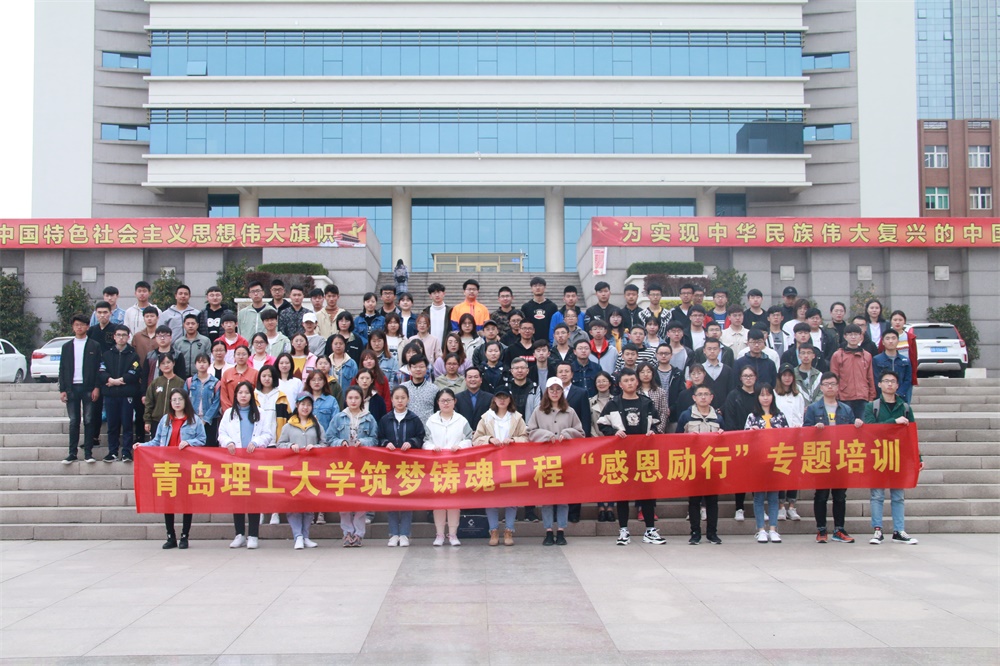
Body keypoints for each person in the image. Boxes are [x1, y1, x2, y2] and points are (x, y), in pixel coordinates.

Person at [597, 369, 664, 546]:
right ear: (620, 384)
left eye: (632, 380)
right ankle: (623, 530)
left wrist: (653, 431)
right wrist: (614, 432)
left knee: (647, 493)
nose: (629, 383)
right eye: (625, 381)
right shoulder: (613, 404)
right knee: (623, 494)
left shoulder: (646, 402)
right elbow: (602, 424)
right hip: (622, 455)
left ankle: (650, 530)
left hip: (644, 455)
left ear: (637, 382)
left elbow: (657, 423)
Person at [804, 371, 864, 543]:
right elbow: (805, 431)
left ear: (838, 387)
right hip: (821, 456)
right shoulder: (813, 409)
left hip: (840, 457)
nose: (830, 387)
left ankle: (839, 529)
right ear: (821, 388)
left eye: (833, 384)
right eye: (826, 384)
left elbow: (853, 435)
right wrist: (814, 429)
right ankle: (821, 530)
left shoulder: (846, 409)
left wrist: (857, 425)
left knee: (840, 495)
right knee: (821, 495)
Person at [142, 388, 206, 549]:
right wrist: (142, 445)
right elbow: (156, 441)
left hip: (186, 466)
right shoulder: (165, 420)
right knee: (168, 501)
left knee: (186, 501)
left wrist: (189, 442)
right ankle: (170, 536)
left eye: (180, 399)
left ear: (185, 401)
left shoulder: (194, 420)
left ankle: (185, 536)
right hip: (167, 466)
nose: (177, 403)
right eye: (174, 400)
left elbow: (202, 439)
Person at [865, 370, 921, 545]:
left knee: (898, 495)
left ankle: (899, 530)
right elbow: (870, 430)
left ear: (897, 386)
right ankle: (877, 530)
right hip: (878, 455)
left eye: (893, 381)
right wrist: (893, 422)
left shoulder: (905, 408)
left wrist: (918, 458)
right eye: (886, 381)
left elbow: (912, 435)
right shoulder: (872, 407)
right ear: (879, 384)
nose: (889, 384)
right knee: (877, 495)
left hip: (899, 456)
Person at [527, 378, 585, 546]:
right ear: (547, 391)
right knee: (547, 498)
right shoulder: (538, 411)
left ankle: (560, 530)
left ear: (562, 392)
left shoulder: (570, 411)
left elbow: (580, 432)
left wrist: (566, 433)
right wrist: (546, 436)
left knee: (562, 497)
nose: (554, 392)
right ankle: (548, 530)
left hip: (565, 460)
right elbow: (530, 432)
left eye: (558, 389)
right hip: (544, 459)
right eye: (551, 389)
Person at [219, 380, 274, 549]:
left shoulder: (260, 413)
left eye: (247, 393)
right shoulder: (229, 413)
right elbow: (222, 434)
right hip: (235, 461)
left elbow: (268, 434)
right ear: (236, 395)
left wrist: (256, 442)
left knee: (253, 498)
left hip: (254, 461)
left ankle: (253, 535)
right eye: (240, 393)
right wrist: (228, 442)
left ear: (252, 395)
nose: (243, 396)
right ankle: (239, 534)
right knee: (237, 497)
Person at [473, 387, 528, 546]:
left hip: (511, 462)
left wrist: (514, 440)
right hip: (491, 462)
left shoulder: (517, 418)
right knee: (491, 497)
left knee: (511, 497)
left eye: (505, 397)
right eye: (499, 397)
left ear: (510, 399)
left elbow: (525, 438)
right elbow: (476, 439)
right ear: (494, 400)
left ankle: (509, 530)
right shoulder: (486, 418)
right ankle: (494, 530)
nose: (502, 400)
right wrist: (489, 439)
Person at [326, 386, 379, 547]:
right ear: (346, 399)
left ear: (361, 399)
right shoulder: (338, 417)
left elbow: (374, 439)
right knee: (344, 501)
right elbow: (329, 437)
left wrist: (362, 442)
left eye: (356, 398)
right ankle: (347, 533)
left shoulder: (369, 418)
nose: (353, 401)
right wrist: (340, 442)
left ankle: (359, 533)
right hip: (343, 464)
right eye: (350, 398)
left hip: (362, 464)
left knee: (361, 500)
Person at [423, 388, 473, 546]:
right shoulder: (431, 421)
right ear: (438, 403)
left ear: (454, 401)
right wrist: (432, 447)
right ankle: (439, 534)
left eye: (448, 400)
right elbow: (425, 441)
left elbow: (470, 439)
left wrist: (460, 446)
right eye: (442, 401)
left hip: (455, 467)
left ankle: (452, 534)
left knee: (454, 502)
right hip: (436, 467)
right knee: (438, 502)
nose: (445, 403)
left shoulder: (461, 420)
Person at [676, 383, 724, 544]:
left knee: (712, 501)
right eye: (700, 394)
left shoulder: (718, 417)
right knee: (694, 500)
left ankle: (712, 533)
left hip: (712, 465)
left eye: (706, 394)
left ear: (711, 397)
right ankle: (695, 532)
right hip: (693, 464)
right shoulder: (686, 416)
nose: (703, 397)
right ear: (694, 398)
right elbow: (676, 439)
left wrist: (722, 435)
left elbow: (726, 441)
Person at [378, 385, 425, 547]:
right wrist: (386, 443)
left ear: (408, 399)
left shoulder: (414, 419)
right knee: (392, 500)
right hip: (390, 466)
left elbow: (421, 437)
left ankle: (404, 533)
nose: (400, 401)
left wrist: (411, 442)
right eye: (396, 398)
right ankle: (393, 533)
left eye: (403, 398)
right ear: (391, 400)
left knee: (406, 499)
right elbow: (379, 437)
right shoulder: (385, 419)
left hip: (408, 466)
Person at [276, 394, 325, 549]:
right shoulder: (288, 425)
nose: (305, 408)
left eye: (308, 405)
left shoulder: (316, 424)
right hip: (293, 470)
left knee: (309, 504)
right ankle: (297, 535)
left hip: (311, 470)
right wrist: (290, 446)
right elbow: (280, 444)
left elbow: (325, 444)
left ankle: (306, 535)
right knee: (294, 504)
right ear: (297, 405)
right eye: (302, 404)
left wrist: (315, 448)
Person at [745, 383, 788, 543]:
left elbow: (787, 436)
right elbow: (744, 438)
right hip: (758, 462)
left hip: (776, 461)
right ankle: (761, 529)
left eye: (768, 394)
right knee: (758, 497)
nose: (765, 398)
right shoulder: (752, 417)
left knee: (773, 496)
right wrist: (751, 433)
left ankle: (773, 529)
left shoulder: (780, 416)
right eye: (762, 395)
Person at [98, 325, 141, 462]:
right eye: (118, 335)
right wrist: (110, 380)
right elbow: (101, 371)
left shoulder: (133, 355)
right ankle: (113, 452)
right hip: (110, 394)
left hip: (126, 395)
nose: (121, 338)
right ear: (114, 337)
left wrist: (118, 381)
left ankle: (126, 452)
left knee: (127, 424)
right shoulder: (107, 354)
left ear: (128, 337)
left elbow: (134, 372)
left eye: (124, 335)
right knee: (112, 425)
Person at [723, 364, 759, 521]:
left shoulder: (760, 394)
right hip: (739, 440)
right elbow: (729, 417)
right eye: (745, 376)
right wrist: (737, 436)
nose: (748, 379)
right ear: (740, 378)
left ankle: (758, 507)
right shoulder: (734, 395)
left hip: (758, 441)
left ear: (755, 377)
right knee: (741, 475)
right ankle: (739, 507)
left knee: (757, 475)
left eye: (751, 376)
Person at [774, 363, 805, 521]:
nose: (787, 378)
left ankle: (792, 506)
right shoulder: (774, 394)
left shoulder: (798, 395)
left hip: (796, 437)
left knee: (794, 473)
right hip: (779, 439)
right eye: (784, 375)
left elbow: (800, 415)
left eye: (789, 375)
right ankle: (781, 506)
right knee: (781, 472)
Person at [830, 324, 876, 419]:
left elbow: (870, 377)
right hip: (844, 396)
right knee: (845, 424)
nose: (853, 337)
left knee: (863, 424)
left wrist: (872, 396)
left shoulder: (867, 356)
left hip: (862, 396)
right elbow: (834, 377)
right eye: (850, 334)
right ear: (845, 336)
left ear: (861, 336)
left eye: (856, 334)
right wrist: (835, 395)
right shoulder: (837, 355)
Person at [589, 371, 617, 522]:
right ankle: (600, 506)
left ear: (610, 383)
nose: (601, 383)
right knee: (599, 476)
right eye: (598, 381)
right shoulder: (590, 402)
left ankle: (610, 507)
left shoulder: (616, 401)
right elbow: (589, 423)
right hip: (596, 443)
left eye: (604, 381)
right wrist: (596, 438)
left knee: (612, 474)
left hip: (614, 442)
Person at [143, 353, 186, 438]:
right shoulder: (155, 383)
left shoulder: (180, 383)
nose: (166, 365)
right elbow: (149, 402)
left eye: (168, 362)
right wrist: (147, 420)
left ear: (173, 363)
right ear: (159, 366)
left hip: (174, 420)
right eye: (163, 363)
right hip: (157, 420)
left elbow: (185, 402)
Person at [187, 353, 221, 448]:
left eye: (204, 362)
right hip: (193, 420)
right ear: (195, 364)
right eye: (199, 362)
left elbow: (216, 403)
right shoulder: (189, 381)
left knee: (209, 446)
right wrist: (192, 417)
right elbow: (185, 400)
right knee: (193, 446)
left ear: (209, 364)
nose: (201, 364)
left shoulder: (216, 382)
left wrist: (206, 419)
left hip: (210, 421)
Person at [872, 329, 913, 402]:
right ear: (883, 342)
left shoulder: (905, 360)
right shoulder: (876, 359)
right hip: (882, 397)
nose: (891, 341)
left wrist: (899, 393)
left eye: (893, 338)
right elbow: (876, 379)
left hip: (901, 397)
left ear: (898, 341)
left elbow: (908, 379)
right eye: (887, 339)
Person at [219, 345, 258, 413]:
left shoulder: (255, 373)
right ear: (234, 356)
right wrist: (229, 411)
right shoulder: (227, 373)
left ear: (249, 356)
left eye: (244, 354)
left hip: (250, 411)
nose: (241, 357)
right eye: (238, 354)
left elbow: (257, 394)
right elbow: (223, 395)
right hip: (230, 411)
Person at [521, 276, 558, 342]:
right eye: (535, 286)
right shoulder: (526, 307)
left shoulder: (552, 306)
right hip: (530, 342)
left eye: (540, 285)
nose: (537, 288)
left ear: (545, 287)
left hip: (548, 342)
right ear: (531, 288)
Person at [400, 354, 437, 422]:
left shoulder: (434, 389)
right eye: (414, 367)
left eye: (421, 367)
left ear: (426, 368)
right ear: (410, 368)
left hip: (427, 427)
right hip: (407, 425)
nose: (418, 369)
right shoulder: (403, 388)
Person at [636, 362, 670, 434]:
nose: (646, 374)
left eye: (648, 372)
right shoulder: (634, 392)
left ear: (653, 373)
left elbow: (663, 413)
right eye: (642, 372)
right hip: (638, 431)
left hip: (656, 431)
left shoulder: (661, 392)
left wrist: (657, 430)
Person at [423, 282, 453, 347]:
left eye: (439, 292)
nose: (437, 295)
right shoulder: (426, 312)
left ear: (444, 294)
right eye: (434, 293)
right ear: (430, 296)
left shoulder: (450, 311)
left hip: (446, 346)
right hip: (429, 346)